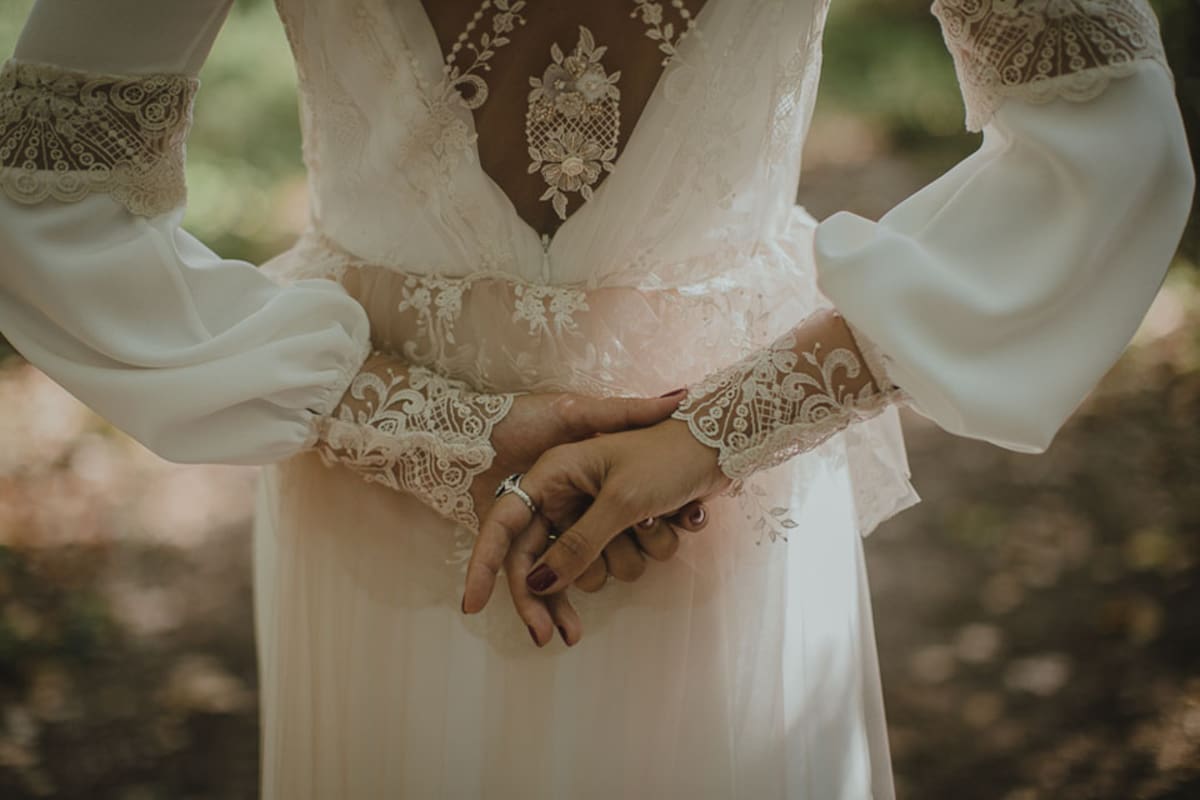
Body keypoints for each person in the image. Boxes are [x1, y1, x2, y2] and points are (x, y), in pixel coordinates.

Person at [0, 1, 1191, 798]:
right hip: (640, 482)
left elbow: (44, 194)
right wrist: (724, 424)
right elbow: (1110, 133)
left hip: (514, 495)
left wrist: (428, 420)